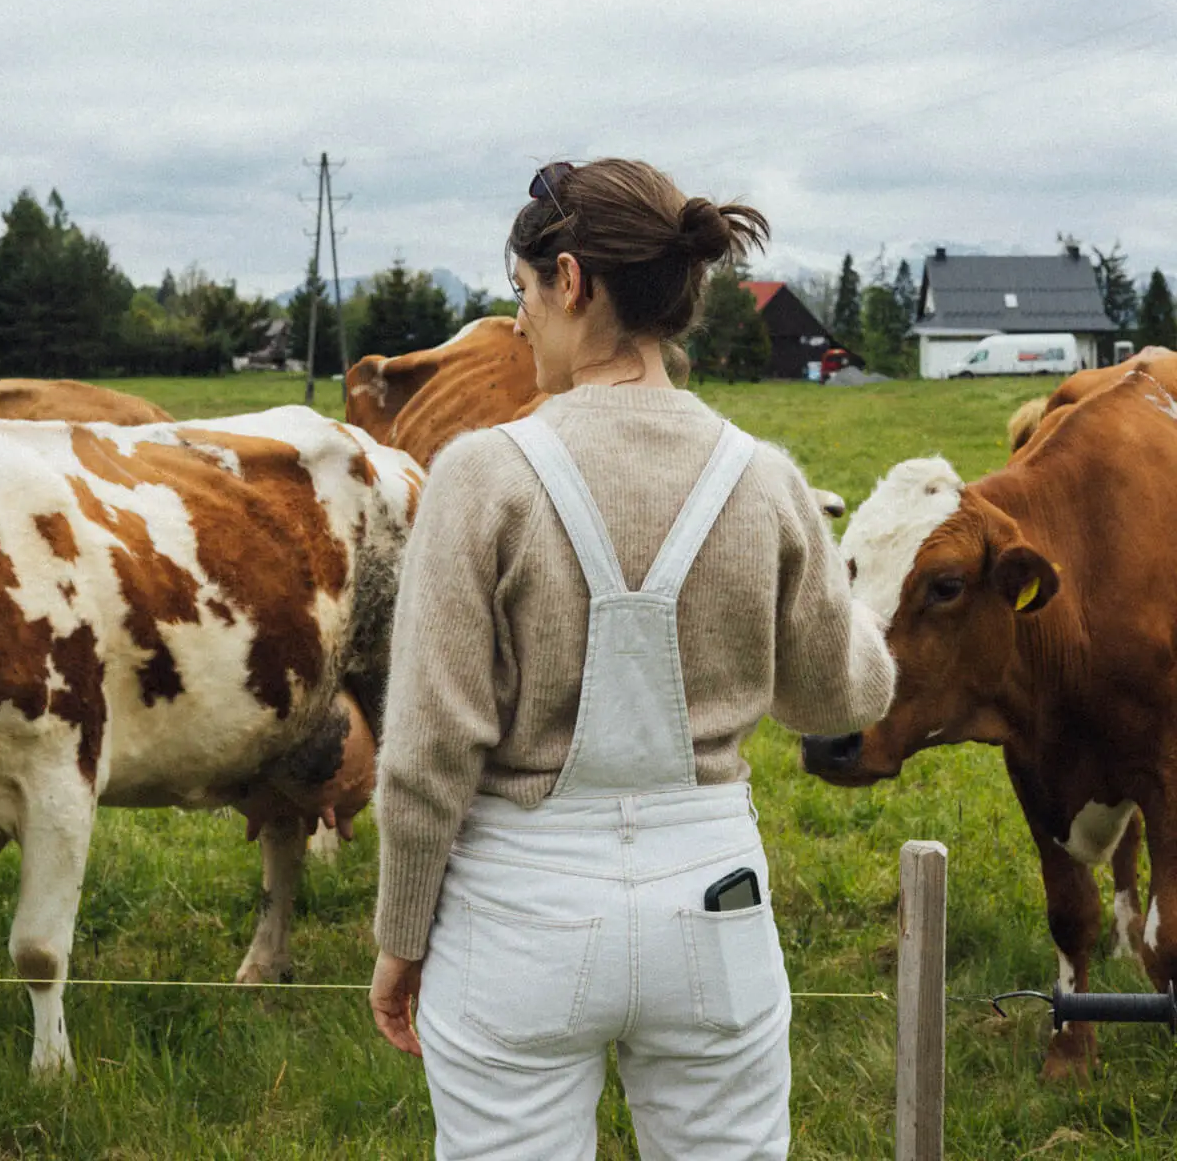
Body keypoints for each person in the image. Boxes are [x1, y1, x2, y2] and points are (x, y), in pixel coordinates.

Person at [369, 158, 896, 1160]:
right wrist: (851, 599)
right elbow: (843, 694)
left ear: (571, 281)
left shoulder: (480, 476)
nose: (519, 320)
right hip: (715, 908)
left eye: (524, 291)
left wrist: (401, 936)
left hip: (516, 914)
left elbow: (429, 748)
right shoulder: (765, 480)